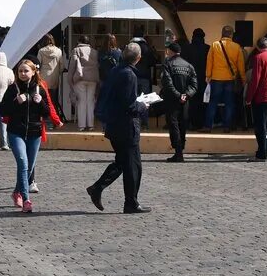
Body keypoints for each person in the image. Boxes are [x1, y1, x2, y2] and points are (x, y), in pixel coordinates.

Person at [87, 42, 148, 213]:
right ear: (138, 58)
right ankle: (131, 203)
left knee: (123, 162)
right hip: (125, 126)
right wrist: (143, 106)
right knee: (133, 166)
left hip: (114, 124)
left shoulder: (116, 70)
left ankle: (97, 188)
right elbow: (129, 105)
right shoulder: (129, 75)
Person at [1, 59, 55, 212]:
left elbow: (47, 113)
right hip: (16, 131)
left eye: (26, 71)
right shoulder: (13, 89)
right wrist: (16, 102)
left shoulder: (40, 89)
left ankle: (16, 192)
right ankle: (26, 199)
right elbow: (3, 111)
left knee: (29, 167)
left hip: (34, 132)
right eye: (20, 71)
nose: (23, 74)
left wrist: (41, 103)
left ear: (33, 72)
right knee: (23, 163)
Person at [159, 41, 197, 161]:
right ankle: (181, 149)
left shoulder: (167, 64)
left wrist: (178, 95)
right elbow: (194, 85)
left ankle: (178, 152)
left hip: (172, 100)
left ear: (171, 51)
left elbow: (167, 84)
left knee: (173, 124)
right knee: (183, 124)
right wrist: (185, 95)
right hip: (185, 101)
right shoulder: (189, 65)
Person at [205, 26, 245, 133]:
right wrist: (243, 78)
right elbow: (240, 65)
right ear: (231, 35)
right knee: (229, 103)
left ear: (222, 33)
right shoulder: (237, 47)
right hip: (230, 79)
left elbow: (209, 61)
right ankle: (227, 126)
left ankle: (208, 126)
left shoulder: (214, 45)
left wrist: (208, 75)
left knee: (213, 102)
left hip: (216, 78)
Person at [69, 34, 100, 132]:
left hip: (80, 78)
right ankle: (90, 125)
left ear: (79, 41)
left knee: (81, 101)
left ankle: (82, 125)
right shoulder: (95, 52)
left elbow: (73, 66)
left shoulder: (76, 50)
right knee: (90, 101)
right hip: (93, 78)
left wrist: (70, 79)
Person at [183, 28, 209, 130]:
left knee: (192, 102)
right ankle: (201, 123)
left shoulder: (186, 48)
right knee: (203, 102)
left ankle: (192, 123)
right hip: (204, 79)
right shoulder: (208, 48)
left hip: (190, 79)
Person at [36, 33, 68, 119]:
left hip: (43, 77)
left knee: (43, 99)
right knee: (53, 100)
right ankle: (54, 119)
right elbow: (61, 65)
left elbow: (38, 64)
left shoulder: (41, 51)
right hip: (54, 77)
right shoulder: (58, 51)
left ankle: (43, 118)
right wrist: (58, 73)